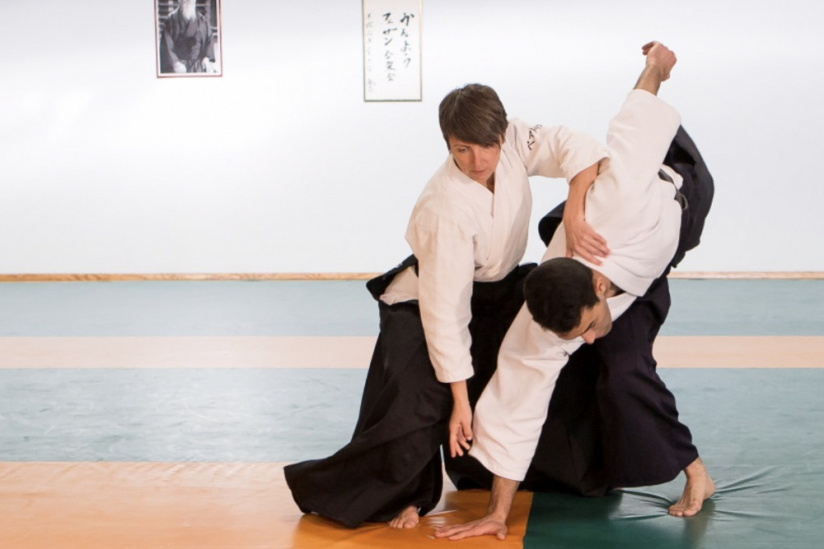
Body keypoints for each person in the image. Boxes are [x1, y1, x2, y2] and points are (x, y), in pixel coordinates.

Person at [284, 83, 611, 528]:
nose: (478, 161)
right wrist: (458, 398)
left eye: (487, 147)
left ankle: (524, 471)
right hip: (424, 302)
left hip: (496, 288)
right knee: (417, 406)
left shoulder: (514, 138)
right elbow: (447, 312)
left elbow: (583, 149)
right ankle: (393, 497)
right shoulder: (444, 206)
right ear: (448, 144)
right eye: (463, 149)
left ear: (502, 134)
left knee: (544, 357)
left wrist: (575, 211)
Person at [435, 41, 716, 542]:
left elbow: (635, 118)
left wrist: (655, 67)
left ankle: (693, 474)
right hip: (603, 265)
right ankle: (700, 473)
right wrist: (499, 514)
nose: (588, 339)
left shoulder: (624, 191)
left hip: (674, 199)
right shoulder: (542, 325)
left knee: (624, 367)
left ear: (602, 288)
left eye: (588, 327)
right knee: (619, 371)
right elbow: (514, 403)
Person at [159, 0, 218, 74]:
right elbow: (166, 46)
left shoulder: (203, 21)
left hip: (199, 66)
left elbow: (209, 40)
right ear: (179, 1)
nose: (189, 1)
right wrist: (175, 63)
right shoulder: (170, 21)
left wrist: (206, 58)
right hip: (177, 66)